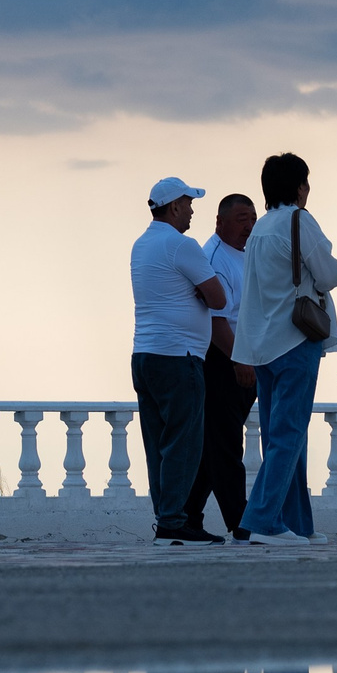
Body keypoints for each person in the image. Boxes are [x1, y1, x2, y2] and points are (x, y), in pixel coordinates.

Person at [233, 153, 337, 544]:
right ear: (299, 187)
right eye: (306, 183)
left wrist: (243, 351)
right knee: (290, 435)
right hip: (296, 340)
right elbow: (331, 275)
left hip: (261, 346)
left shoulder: (260, 229)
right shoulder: (300, 220)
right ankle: (262, 521)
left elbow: (249, 296)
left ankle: (298, 525)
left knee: (282, 436)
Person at [131, 176, 230, 543]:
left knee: (158, 444)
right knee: (184, 443)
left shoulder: (141, 245)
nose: (191, 211)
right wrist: (198, 292)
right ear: (173, 207)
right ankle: (174, 520)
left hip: (145, 354)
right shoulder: (181, 245)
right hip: (179, 357)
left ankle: (167, 518)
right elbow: (219, 298)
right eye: (188, 204)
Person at [188, 194, 259, 540]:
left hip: (245, 356)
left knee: (211, 448)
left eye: (252, 218)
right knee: (226, 444)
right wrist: (240, 360)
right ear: (220, 222)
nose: (249, 225)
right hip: (223, 358)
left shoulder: (245, 255)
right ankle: (241, 521)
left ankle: (186, 517)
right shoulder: (214, 257)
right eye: (242, 218)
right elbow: (217, 322)